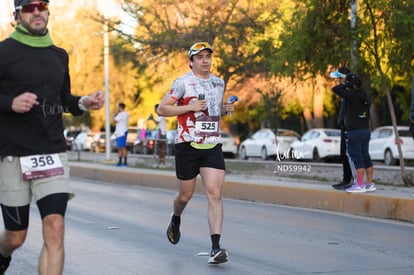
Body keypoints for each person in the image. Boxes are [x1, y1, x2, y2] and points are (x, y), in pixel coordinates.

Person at [0, 1, 105, 274]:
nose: (36, 12)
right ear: (17, 15)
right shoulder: (3, 52)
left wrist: (83, 102)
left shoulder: (59, 55)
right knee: (16, 236)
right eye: (29, 7)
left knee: (55, 228)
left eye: (41, 5)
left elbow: (63, 99)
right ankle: (2, 255)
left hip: (51, 153)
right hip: (12, 155)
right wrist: (9, 102)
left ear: (47, 11)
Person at [157, 41, 235, 264]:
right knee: (185, 196)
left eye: (208, 56)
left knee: (215, 194)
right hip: (187, 145)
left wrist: (224, 110)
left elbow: (212, 110)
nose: (205, 60)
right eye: (199, 57)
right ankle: (175, 218)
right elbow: (162, 109)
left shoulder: (218, 83)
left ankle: (216, 247)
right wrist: (189, 107)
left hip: (212, 145)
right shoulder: (182, 83)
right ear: (191, 61)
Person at [332, 73, 375, 193]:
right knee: (366, 156)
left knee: (357, 158)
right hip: (365, 131)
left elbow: (335, 89)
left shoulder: (351, 96)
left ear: (351, 84)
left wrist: (345, 83)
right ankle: (369, 183)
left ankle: (360, 184)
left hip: (354, 132)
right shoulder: (365, 96)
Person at [330, 66, 353, 190]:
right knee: (343, 153)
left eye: (339, 78)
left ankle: (351, 179)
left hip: (350, 127)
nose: (337, 81)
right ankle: (346, 179)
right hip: (344, 126)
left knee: (349, 154)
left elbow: (336, 88)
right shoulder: (345, 90)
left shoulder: (350, 90)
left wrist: (346, 82)